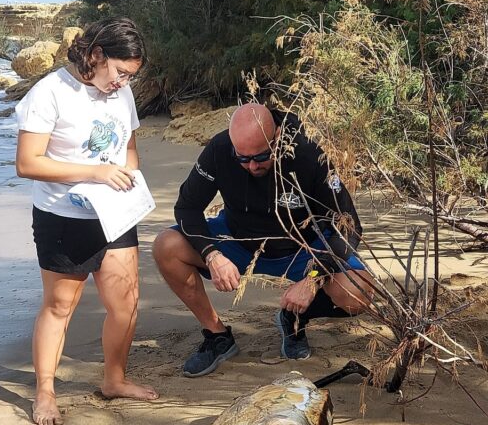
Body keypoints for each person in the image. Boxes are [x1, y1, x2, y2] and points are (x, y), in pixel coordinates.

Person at [153, 103, 375, 377]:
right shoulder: (220, 148)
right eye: (243, 158)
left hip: (302, 249)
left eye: (260, 156)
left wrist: (314, 279)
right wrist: (212, 255)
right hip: (238, 239)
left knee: (360, 292)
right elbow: (187, 207)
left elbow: (349, 226)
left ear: (278, 136)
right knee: (166, 246)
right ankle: (217, 335)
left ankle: (294, 317)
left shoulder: (307, 153)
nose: (252, 166)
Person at [15, 17, 158, 425]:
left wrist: (128, 177)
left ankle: (114, 379)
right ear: (95, 54)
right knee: (60, 306)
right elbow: (27, 162)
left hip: (112, 213)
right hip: (62, 216)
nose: (123, 83)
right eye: (119, 72)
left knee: (126, 303)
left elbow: (129, 150)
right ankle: (45, 392)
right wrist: (94, 174)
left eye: (131, 76)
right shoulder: (50, 92)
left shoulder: (121, 93)